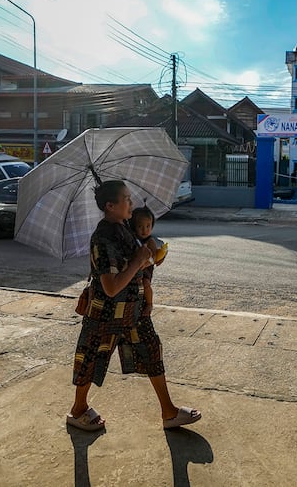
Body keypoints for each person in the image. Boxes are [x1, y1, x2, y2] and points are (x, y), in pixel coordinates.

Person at [67, 180, 201, 431]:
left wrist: (152, 258)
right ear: (110, 206)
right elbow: (111, 287)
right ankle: (77, 410)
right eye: (126, 199)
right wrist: (139, 259)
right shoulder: (102, 238)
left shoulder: (125, 228)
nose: (132, 203)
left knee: (151, 350)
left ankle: (169, 412)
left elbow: (138, 261)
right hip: (106, 313)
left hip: (134, 309)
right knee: (92, 358)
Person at [128, 205, 166, 314]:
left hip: (146, 268)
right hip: (136, 268)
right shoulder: (133, 238)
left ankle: (149, 303)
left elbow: (153, 258)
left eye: (148, 226)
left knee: (146, 283)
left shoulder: (150, 241)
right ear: (134, 226)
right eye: (140, 226)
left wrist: (146, 262)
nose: (144, 230)